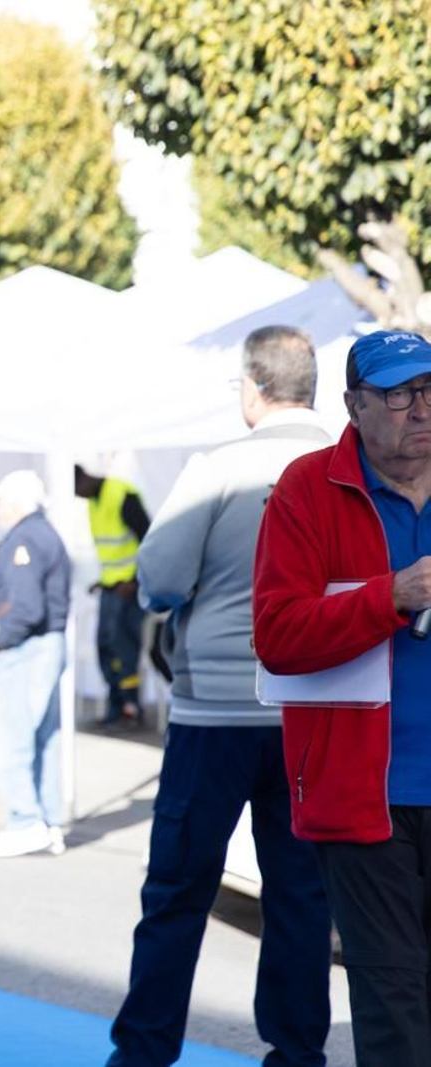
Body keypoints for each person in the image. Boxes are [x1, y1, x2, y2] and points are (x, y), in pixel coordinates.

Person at [108, 326, 333, 1066]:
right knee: (300, 897)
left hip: (216, 707)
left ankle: (143, 1054)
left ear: (253, 388)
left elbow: (162, 576)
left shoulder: (219, 466)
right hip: (315, 709)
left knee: (177, 891)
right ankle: (296, 1053)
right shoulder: (346, 466)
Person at [254, 329, 431, 1064]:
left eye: (430, 390)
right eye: (399, 394)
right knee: (394, 1012)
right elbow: (278, 634)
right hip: (365, 798)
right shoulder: (307, 488)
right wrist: (391, 596)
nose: (420, 408)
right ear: (354, 405)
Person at [0, 469, 71, 858]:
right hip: (42, 646)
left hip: (25, 649)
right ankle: (47, 821)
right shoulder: (42, 533)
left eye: (2, 500)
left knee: (8, 736)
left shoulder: (26, 538)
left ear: (16, 502)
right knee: (42, 737)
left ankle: (26, 821)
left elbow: (25, 607)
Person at [74, 461, 152, 728]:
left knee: (124, 649)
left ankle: (132, 708)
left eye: (76, 489)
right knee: (106, 648)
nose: (77, 496)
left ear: (84, 477)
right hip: (110, 587)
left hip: (129, 590)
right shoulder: (93, 501)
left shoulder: (121, 494)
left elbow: (148, 540)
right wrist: (103, 582)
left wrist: (135, 580)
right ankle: (115, 707)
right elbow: (112, 551)